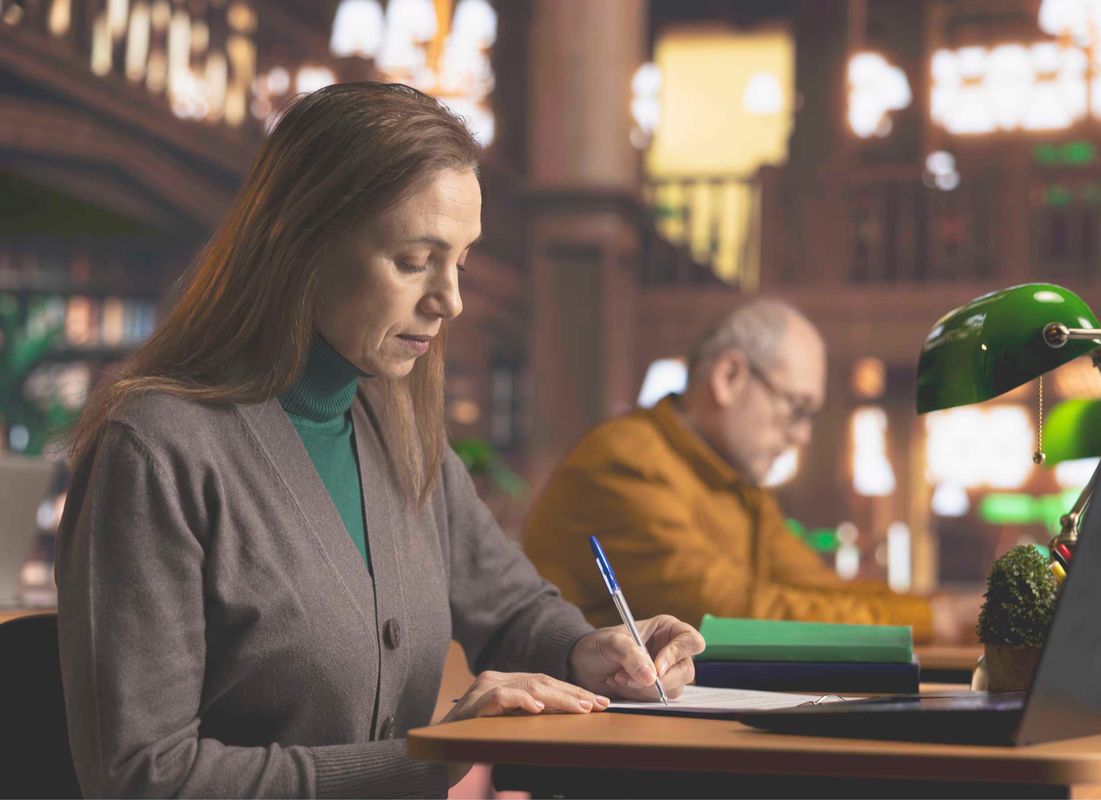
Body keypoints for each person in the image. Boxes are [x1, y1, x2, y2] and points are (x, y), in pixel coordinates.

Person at [55, 83, 703, 798]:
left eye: (458, 259)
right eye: (413, 260)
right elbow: (144, 780)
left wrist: (589, 650)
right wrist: (425, 758)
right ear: (300, 242)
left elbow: (514, 608)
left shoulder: (401, 429)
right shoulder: (156, 449)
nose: (449, 299)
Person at [525, 299, 978, 643]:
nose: (801, 436)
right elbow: (729, 615)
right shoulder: (623, 461)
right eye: (796, 409)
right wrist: (932, 620)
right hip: (588, 747)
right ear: (729, 377)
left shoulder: (732, 479)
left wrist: (945, 608)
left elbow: (819, 590)